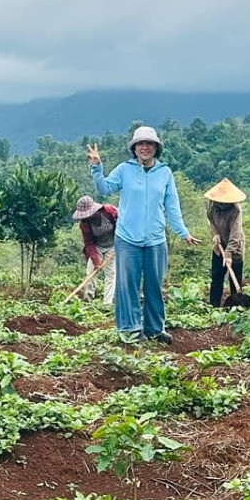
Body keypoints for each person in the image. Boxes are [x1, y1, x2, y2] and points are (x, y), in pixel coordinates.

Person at [90, 126, 199, 344]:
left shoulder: (165, 173)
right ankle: (130, 329)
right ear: (134, 148)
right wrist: (96, 167)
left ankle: (154, 329)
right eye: (140, 144)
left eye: (149, 144)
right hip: (127, 239)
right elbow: (104, 188)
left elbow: (172, 206)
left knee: (153, 285)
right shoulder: (124, 169)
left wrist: (183, 232)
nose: (145, 147)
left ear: (156, 148)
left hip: (156, 240)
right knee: (127, 285)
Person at [205, 179, 249, 308]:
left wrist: (229, 253)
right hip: (219, 247)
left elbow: (235, 234)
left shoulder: (235, 210)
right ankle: (214, 307)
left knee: (235, 278)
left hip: (235, 248)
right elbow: (211, 220)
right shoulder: (211, 205)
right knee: (216, 279)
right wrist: (215, 234)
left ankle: (236, 308)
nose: (222, 205)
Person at [71, 195, 119, 305]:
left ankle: (107, 303)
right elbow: (89, 243)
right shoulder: (85, 224)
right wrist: (96, 261)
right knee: (91, 272)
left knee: (111, 274)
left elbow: (123, 225)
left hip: (113, 246)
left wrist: (121, 242)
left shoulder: (109, 212)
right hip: (97, 247)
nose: (87, 217)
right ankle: (88, 300)